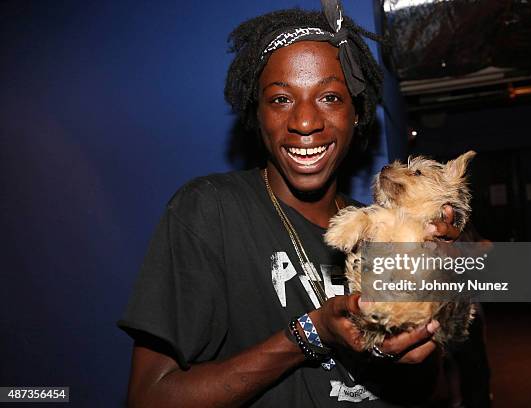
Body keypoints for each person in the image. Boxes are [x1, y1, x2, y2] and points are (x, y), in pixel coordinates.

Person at [118, 4, 465, 407]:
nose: (304, 121)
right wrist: (311, 334)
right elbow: (149, 398)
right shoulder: (209, 211)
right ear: (257, 113)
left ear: (357, 113)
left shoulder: (378, 229)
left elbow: (430, 392)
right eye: (281, 99)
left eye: (330, 97)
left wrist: (427, 326)